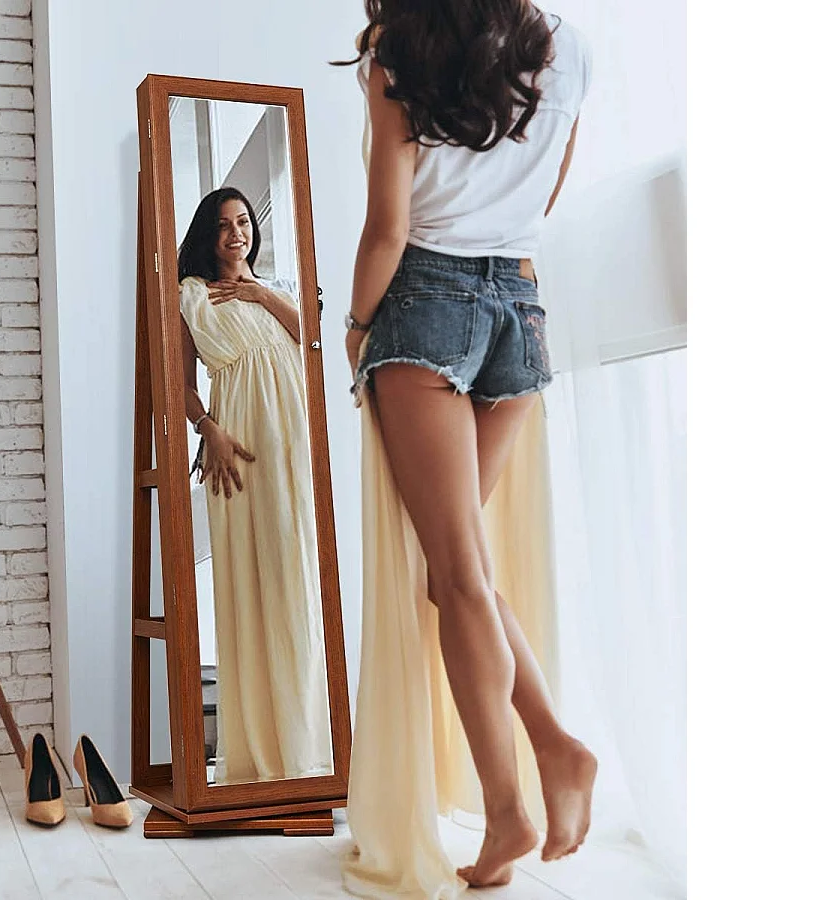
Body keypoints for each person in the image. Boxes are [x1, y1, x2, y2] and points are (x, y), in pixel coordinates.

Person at [342, 0, 598, 890]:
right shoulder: (570, 50)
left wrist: (356, 324)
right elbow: (547, 192)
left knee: (453, 576)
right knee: (463, 573)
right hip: (520, 307)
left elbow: (388, 224)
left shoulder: (398, 50)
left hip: (427, 303)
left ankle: (508, 810)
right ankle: (556, 749)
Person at [177, 187, 332, 784]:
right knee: (255, 577)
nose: (235, 233)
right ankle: (264, 747)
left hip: (293, 441)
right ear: (206, 235)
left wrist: (261, 293)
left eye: (243, 223)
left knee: (297, 576)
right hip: (238, 441)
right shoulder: (190, 295)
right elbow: (178, 381)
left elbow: (309, 342)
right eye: (222, 225)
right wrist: (207, 428)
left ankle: (308, 744)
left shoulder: (276, 293)